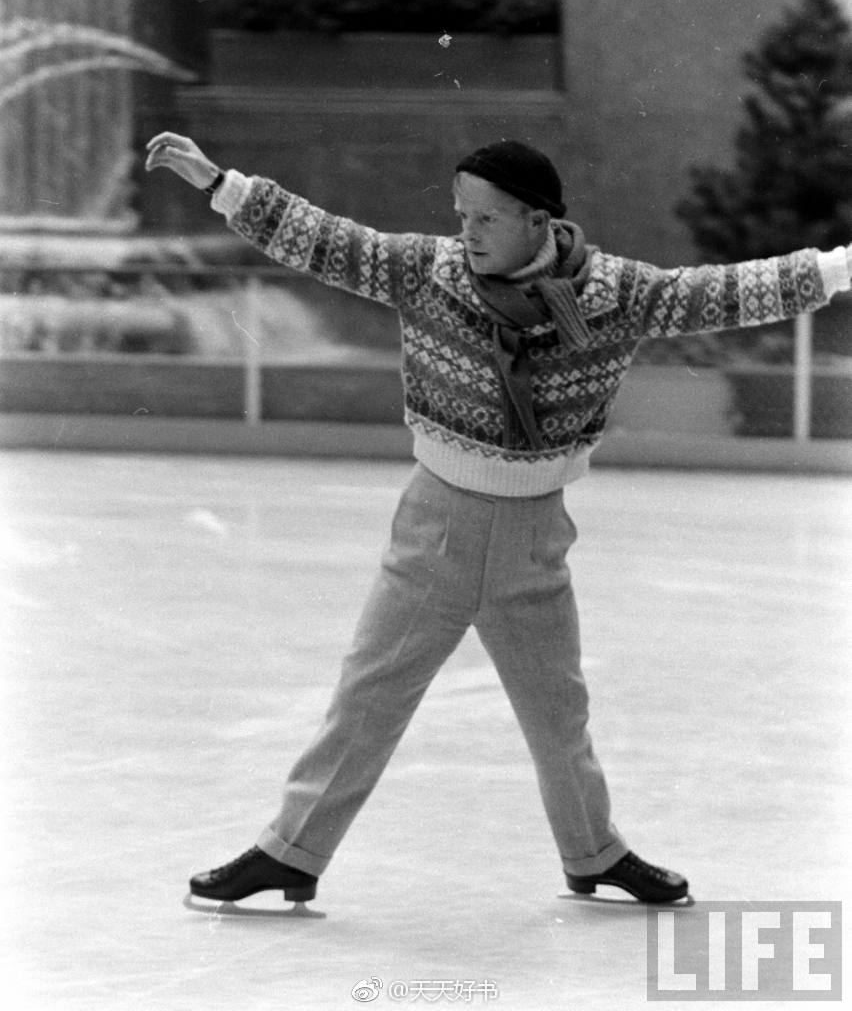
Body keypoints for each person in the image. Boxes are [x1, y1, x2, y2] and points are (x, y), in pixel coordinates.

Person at [145, 132, 851, 909]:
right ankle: (292, 850)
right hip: (438, 525)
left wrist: (837, 267)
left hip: (536, 535)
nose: (467, 233)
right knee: (370, 697)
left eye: (485, 218)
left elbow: (714, 292)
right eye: (460, 216)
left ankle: (593, 853)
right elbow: (328, 242)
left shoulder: (615, 294)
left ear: (539, 222)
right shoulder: (429, 273)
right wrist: (220, 184)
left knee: (559, 713)